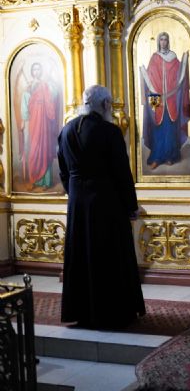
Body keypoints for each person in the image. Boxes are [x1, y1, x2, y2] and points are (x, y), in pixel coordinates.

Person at [58, 85, 146, 329]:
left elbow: (63, 171)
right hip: (106, 203)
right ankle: (112, 312)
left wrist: (75, 194)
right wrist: (131, 205)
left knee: (81, 253)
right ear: (106, 104)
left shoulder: (66, 130)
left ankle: (83, 312)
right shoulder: (110, 131)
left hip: (77, 204)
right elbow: (121, 172)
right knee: (108, 255)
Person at [140, 32, 190, 170]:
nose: (163, 42)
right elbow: (149, 77)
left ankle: (170, 156)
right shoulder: (154, 57)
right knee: (157, 127)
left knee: (170, 128)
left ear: (168, 42)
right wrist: (143, 74)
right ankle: (156, 157)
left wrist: (185, 61)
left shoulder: (173, 57)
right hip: (155, 96)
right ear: (158, 42)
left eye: (165, 39)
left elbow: (179, 75)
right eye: (161, 39)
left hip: (171, 98)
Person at [19, 62, 61, 190]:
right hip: (34, 122)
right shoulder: (29, 87)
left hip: (45, 123)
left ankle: (46, 182)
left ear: (41, 71)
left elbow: (55, 95)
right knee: (34, 149)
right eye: (34, 69)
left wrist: (48, 84)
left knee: (44, 149)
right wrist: (24, 118)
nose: (36, 72)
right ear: (32, 72)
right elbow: (25, 103)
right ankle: (34, 179)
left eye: (38, 69)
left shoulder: (46, 85)